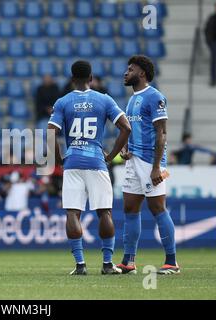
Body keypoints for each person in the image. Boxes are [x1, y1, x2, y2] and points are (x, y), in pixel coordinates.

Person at [47, 60, 131, 275]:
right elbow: (126, 127)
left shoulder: (63, 102)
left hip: (73, 161)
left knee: (73, 213)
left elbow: (50, 132)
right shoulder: (104, 99)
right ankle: (106, 264)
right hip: (96, 161)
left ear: (72, 80)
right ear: (91, 78)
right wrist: (111, 156)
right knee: (105, 212)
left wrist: (59, 159)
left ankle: (80, 265)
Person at [117, 55, 179, 275]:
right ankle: (128, 261)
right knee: (130, 208)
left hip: (151, 161)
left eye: (130, 69)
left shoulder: (155, 97)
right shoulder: (133, 99)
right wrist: (126, 148)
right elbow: (133, 129)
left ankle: (172, 262)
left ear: (141, 73)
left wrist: (155, 167)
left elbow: (161, 133)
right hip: (134, 161)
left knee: (157, 208)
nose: (126, 72)